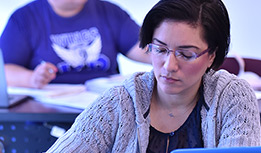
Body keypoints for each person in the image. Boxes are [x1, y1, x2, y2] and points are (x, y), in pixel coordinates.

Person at [27, 0, 261, 153]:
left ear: (211, 55)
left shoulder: (233, 96)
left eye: (186, 54)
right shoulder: (119, 102)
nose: (169, 66)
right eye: (159, 49)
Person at [0, 0, 150, 89]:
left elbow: (142, 49)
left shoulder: (109, 11)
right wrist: (32, 78)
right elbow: (5, 70)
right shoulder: (24, 19)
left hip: (104, 105)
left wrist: (167, 52)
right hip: (50, 113)